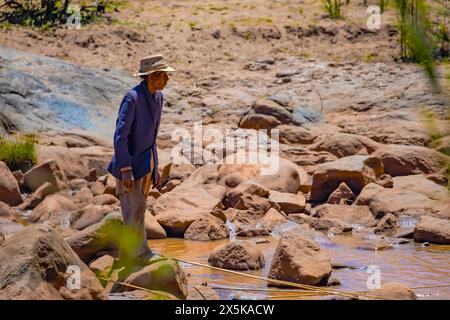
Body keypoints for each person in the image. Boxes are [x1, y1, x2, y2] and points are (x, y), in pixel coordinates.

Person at [107, 55, 175, 266]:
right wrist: (126, 169)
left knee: (140, 208)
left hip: (146, 163)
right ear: (151, 77)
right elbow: (120, 136)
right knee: (132, 210)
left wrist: (155, 167)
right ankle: (131, 258)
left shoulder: (158, 97)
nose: (167, 80)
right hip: (129, 165)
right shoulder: (132, 98)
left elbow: (152, 135)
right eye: (164, 75)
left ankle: (141, 252)